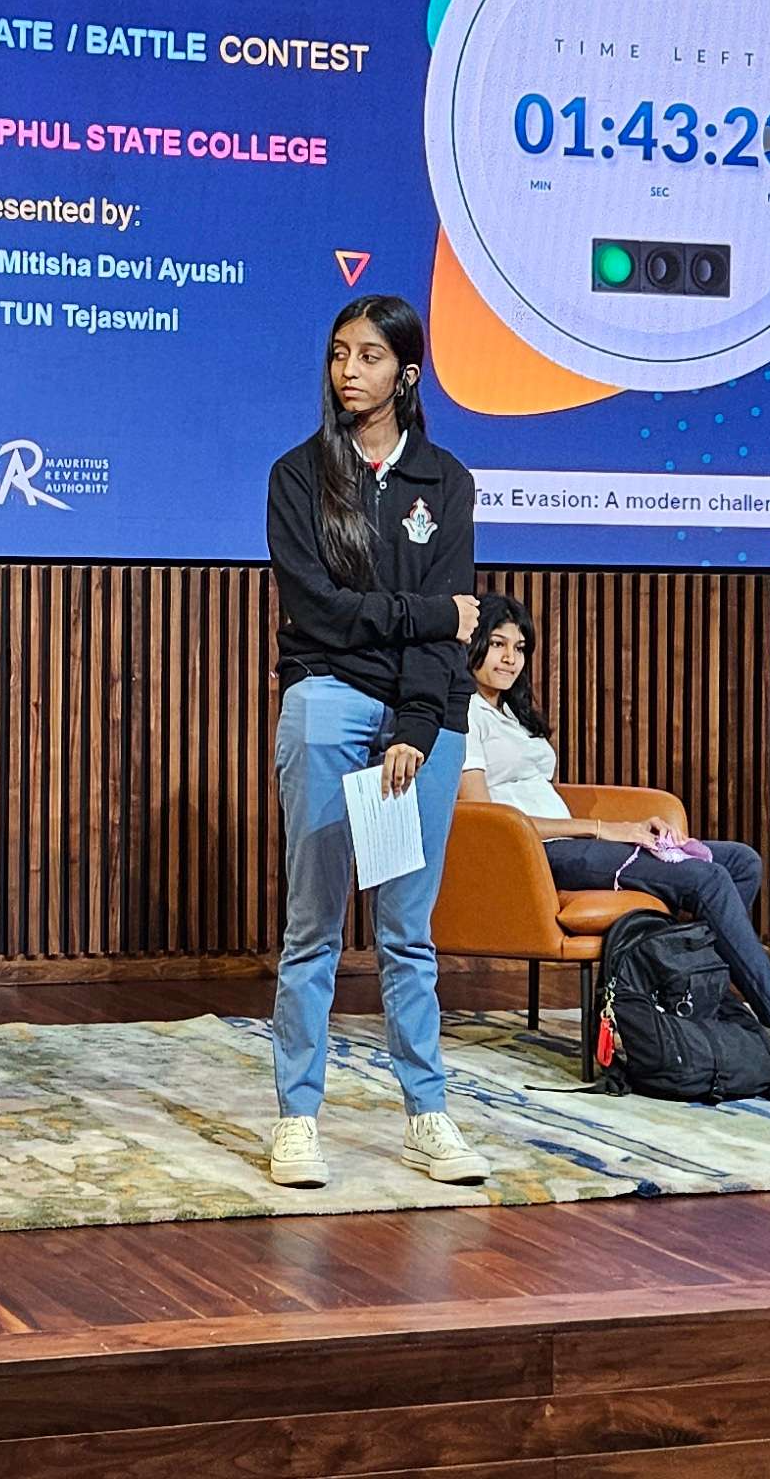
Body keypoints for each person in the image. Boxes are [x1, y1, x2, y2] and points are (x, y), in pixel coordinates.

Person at [455, 596, 770, 1094]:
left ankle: (690, 1003)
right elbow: (488, 816)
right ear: (472, 644)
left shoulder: (511, 714)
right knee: (703, 878)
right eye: (497, 644)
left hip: (571, 841)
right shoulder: (462, 712)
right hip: (537, 855)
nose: (510, 658)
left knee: (740, 861)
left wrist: (623, 829)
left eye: (519, 647)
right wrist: (603, 829)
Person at [261, 294, 486, 1189]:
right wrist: (425, 613)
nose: (348, 371)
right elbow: (318, 611)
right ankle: (296, 1119)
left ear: (407, 373)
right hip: (327, 691)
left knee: (406, 933)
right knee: (312, 927)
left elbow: (453, 633)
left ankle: (428, 1115)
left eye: (368, 356)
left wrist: (417, 727)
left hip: (419, 714)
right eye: (338, 354)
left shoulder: (447, 480)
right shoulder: (297, 476)